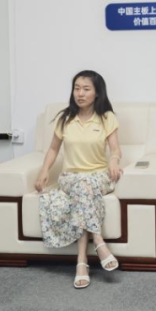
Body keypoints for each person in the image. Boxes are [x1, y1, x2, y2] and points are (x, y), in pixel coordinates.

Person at [34, 70, 124, 289]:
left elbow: (115, 149)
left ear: (97, 93)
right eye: (76, 88)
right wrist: (44, 170)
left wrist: (114, 161)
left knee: (84, 190)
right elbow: (53, 149)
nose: (80, 94)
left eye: (86, 89)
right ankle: (99, 242)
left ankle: (81, 262)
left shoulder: (107, 118)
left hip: (99, 176)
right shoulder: (65, 118)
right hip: (70, 178)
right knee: (82, 188)